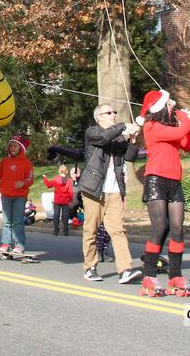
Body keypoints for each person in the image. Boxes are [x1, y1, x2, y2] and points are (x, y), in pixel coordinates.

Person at [77, 103, 143, 284]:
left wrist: (133, 140)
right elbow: (104, 139)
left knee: (118, 230)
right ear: (99, 116)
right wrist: (122, 126)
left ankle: (125, 270)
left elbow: (130, 157)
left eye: (114, 112)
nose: (113, 114)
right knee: (90, 229)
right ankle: (90, 267)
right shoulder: (92, 132)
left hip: (114, 191)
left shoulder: (118, 137)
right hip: (93, 190)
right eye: (109, 112)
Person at [138, 89, 190, 297]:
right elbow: (180, 132)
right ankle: (150, 275)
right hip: (156, 180)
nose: (173, 105)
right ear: (160, 107)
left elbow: (189, 145)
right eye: (169, 102)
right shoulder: (152, 126)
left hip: (174, 181)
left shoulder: (171, 128)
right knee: (160, 227)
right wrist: (183, 119)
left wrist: (186, 124)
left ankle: (175, 275)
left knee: (178, 228)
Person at [0, 134, 34, 257]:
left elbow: (30, 179)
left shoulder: (27, 163)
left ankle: (19, 245)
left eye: (15, 145)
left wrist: (23, 183)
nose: (12, 148)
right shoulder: (5, 161)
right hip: (6, 195)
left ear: (20, 148)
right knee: (6, 221)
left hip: (20, 196)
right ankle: (5, 244)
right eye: (10, 146)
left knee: (18, 221)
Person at [42, 164, 74, 236]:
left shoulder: (56, 179)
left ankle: (56, 230)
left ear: (59, 171)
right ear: (67, 172)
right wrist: (70, 199)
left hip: (57, 200)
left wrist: (45, 178)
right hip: (65, 200)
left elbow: (48, 185)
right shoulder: (69, 181)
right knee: (65, 216)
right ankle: (65, 231)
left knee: (56, 215)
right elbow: (71, 192)